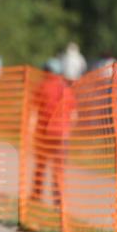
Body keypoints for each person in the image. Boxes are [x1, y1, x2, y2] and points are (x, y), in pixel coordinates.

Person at [31, 59, 76, 211]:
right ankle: (58, 201)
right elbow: (75, 114)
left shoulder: (42, 86)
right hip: (62, 135)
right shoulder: (66, 89)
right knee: (59, 169)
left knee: (41, 166)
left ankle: (36, 196)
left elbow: (33, 112)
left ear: (46, 71)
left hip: (44, 133)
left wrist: (30, 130)